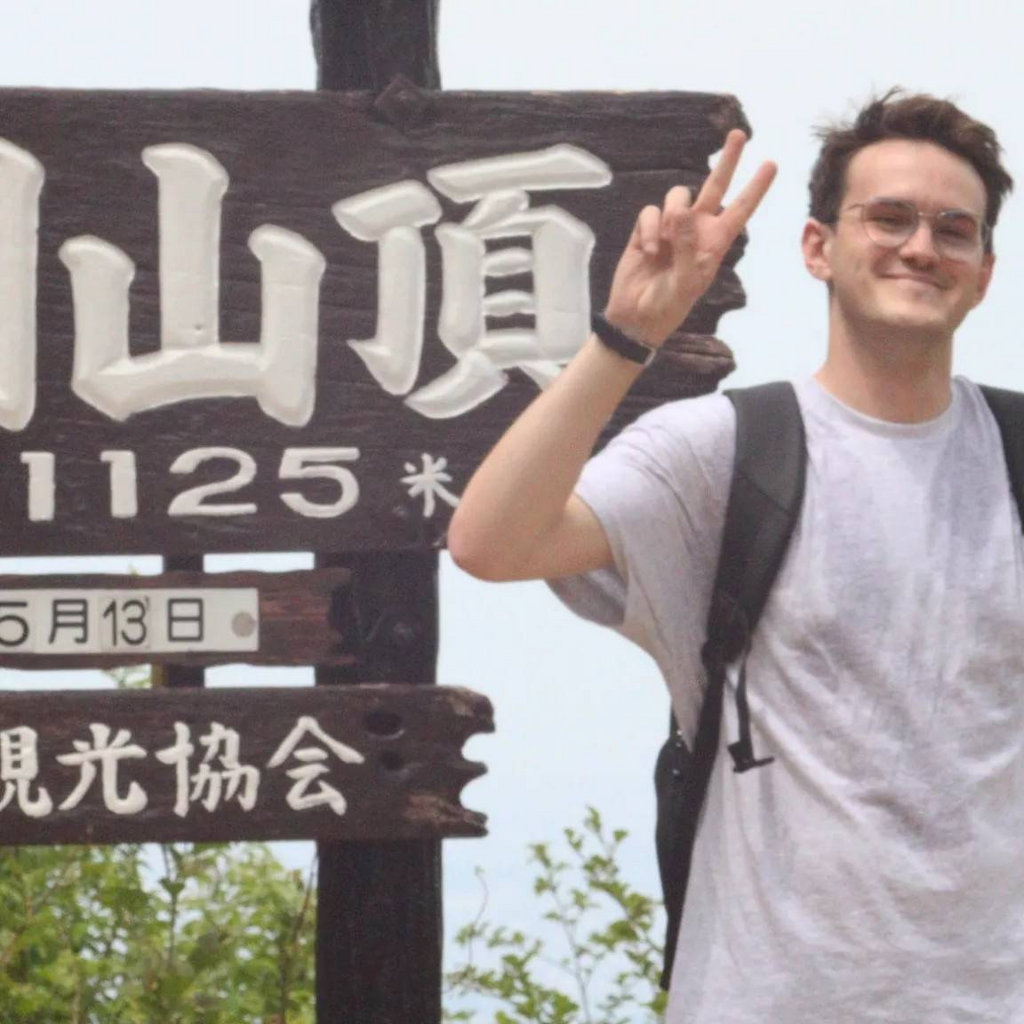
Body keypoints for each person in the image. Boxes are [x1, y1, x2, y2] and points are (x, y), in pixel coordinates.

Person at [447, 90, 1020, 1023]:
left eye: (954, 229)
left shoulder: (1015, 457)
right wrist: (626, 335)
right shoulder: (724, 451)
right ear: (817, 247)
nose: (922, 247)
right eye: (889, 218)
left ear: (985, 273)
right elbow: (489, 542)